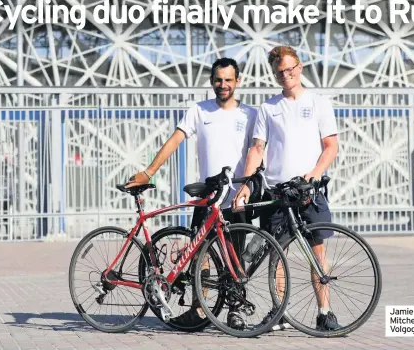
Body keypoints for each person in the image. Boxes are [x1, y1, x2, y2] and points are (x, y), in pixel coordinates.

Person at [126, 57, 257, 329]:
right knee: (200, 256)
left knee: (236, 256)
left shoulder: (251, 115)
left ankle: (235, 310)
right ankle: (199, 309)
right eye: (218, 80)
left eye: (228, 80)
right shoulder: (199, 110)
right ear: (212, 82)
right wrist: (149, 172)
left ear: (238, 82)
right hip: (209, 196)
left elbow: (260, 150)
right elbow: (175, 140)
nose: (223, 85)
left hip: (237, 197)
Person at [233, 45, 342, 331]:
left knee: (317, 253)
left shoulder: (319, 103)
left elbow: (331, 147)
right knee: (276, 255)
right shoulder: (268, 108)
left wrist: (314, 174)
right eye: (280, 72)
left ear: (300, 67)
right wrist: (245, 185)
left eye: (290, 69)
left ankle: (324, 312)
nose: (286, 75)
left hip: (309, 191)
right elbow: (257, 149)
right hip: (277, 192)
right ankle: (280, 312)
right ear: (275, 74)